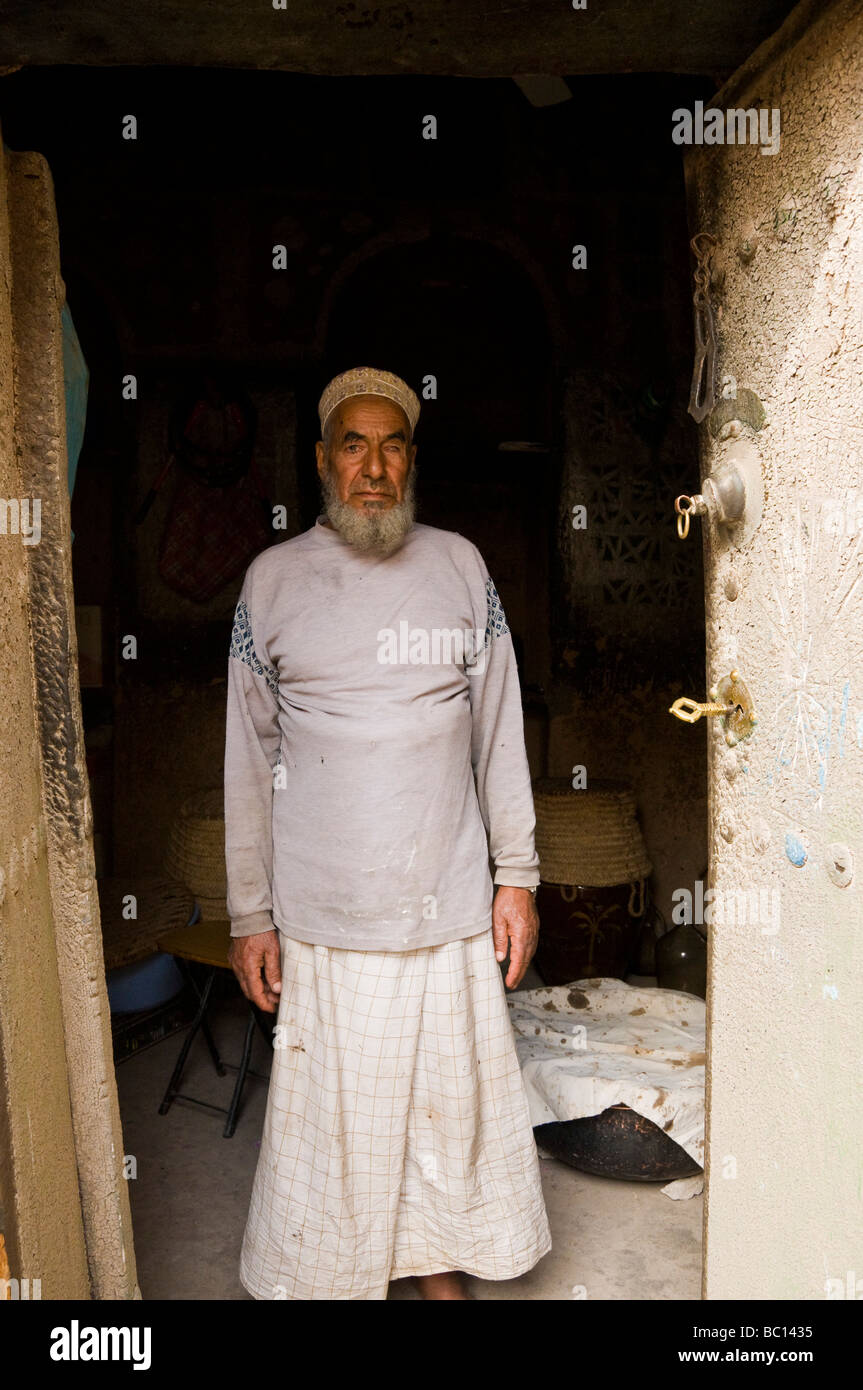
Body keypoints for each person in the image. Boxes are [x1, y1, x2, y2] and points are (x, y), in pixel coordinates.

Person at [224, 366, 551, 1300]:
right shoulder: (273, 581)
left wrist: (515, 876)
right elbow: (247, 759)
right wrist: (251, 912)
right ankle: (338, 1278)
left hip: (444, 902)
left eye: (393, 444)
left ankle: (436, 1270)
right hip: (324, 913)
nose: (374, 466)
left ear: (411, 461)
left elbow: (498, 733)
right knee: (341, 1127)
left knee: (443, 1116)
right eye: (354, 446)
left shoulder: (458, 566)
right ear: (324, 462)